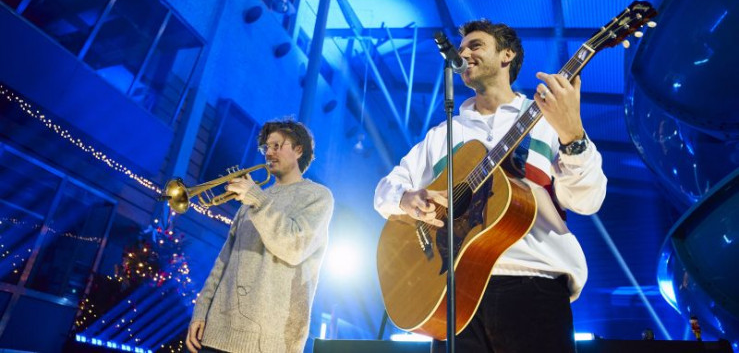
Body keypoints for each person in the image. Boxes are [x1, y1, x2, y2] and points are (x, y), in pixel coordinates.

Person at [374, 20, 607, 352]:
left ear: (507, 55)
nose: (464, 53)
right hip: (452, 294)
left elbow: (587, 200)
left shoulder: (547, 119)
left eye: (476, 45)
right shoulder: (443, 134)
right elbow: (386, 189)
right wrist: (408, 198)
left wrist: (573, 136)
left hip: (533, 285)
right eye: (461, 48)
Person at [187, 119, 334, 353]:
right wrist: (201, 310)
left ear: (299, 150)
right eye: (266, 147)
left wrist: (258, 199)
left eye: (277, 146)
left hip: (269, 343)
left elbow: (295, 248)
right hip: (216, 334)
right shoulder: (251, 200)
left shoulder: (318, 196)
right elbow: (224, 260)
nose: (269, 153)